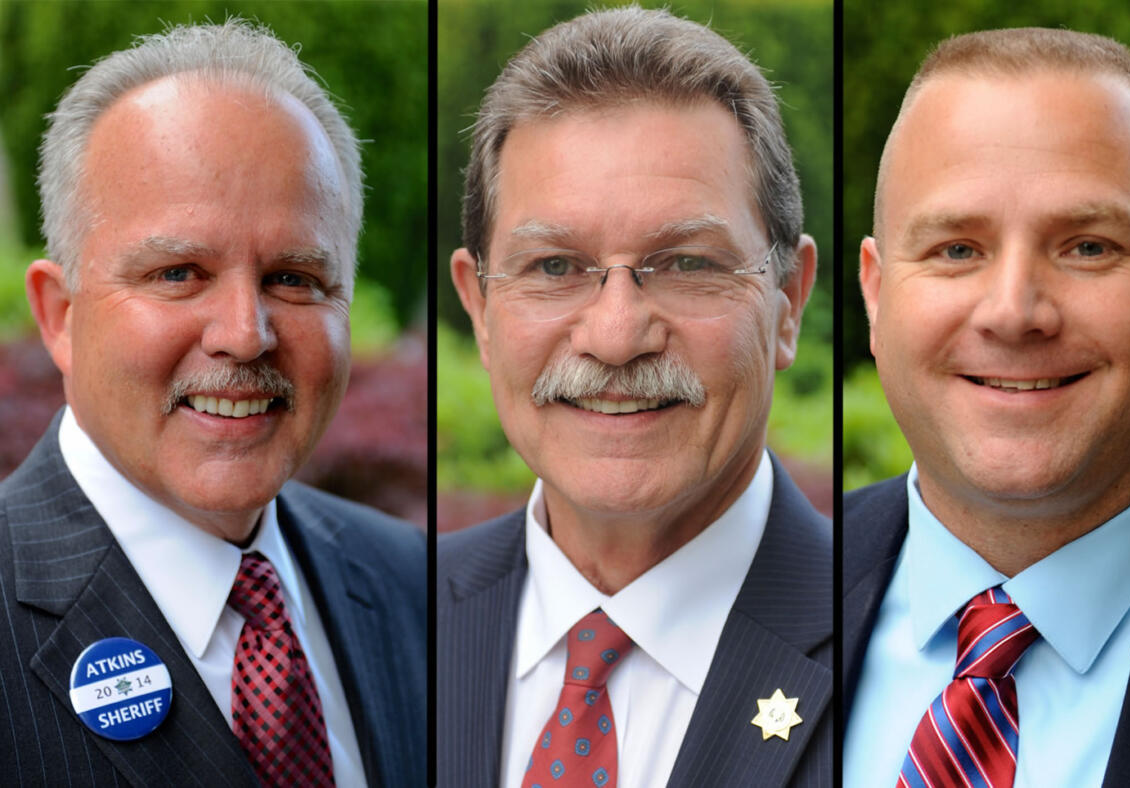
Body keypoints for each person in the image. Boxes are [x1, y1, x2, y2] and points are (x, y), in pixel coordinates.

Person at [0, 20, 424, 785]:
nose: (244, 335)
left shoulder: (415, 588)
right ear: (61, 314)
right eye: (178, 273)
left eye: (294, 278)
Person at [440, 7, 832, 787]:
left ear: (788, 301)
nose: (616, 336)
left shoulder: (909, 657)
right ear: (480, 310)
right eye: (555, 267)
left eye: (687, 263)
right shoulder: (385, 629)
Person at [845, 27, 1130, 787]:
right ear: (877, 293)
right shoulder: (776, 595)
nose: (1014, 312)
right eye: (957, 249)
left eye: (1087, 246)